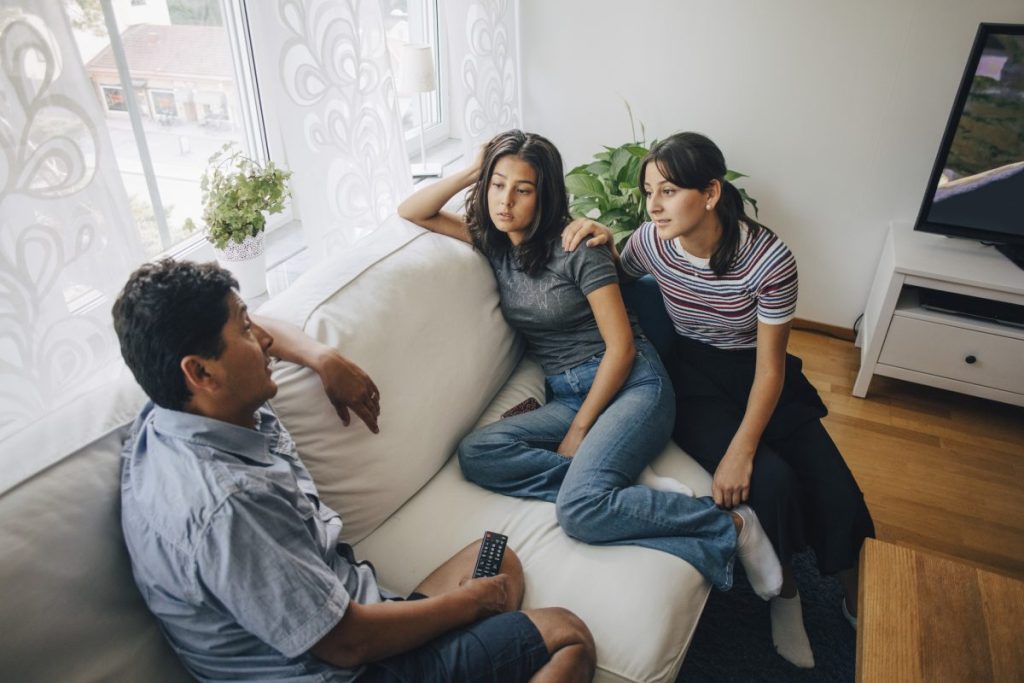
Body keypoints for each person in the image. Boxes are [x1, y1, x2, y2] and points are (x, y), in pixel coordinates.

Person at [112, 258, 596, 683]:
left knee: (498, 558)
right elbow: (346, 644)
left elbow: (264, 330)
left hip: (352, 614)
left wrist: (322, 357)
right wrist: (472, 603)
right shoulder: (228, 505)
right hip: (348, 664)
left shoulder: (174, 415)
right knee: (566, 635)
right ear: (201, 372)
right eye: (244, 331)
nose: (263, 339)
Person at [397, 129, 782, 601]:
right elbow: (412, 211)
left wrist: (580, 430)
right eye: (497, 186)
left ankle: (734, 527)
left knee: (579, 512)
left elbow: (621, 349)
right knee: (478, 453)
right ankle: (621, 483)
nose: (506, 202)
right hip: (566, 389)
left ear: (545, 194)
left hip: (632, 385)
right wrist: (479, 168)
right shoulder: (493, 241)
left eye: (523, 189)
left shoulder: (578, 247)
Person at [563, 131, 876, 668]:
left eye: (667, 191)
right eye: (648, 192)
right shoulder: (650, 240)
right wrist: (603, 241)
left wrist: (742, 447)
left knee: (835, 486)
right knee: (770, 484)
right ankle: (786, 598)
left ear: (710, 193)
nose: (653, 205)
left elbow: (770, 366)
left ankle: (859, 601)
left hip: (757, 372)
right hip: (692, 377)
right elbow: (622, 279)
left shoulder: (769, 259)